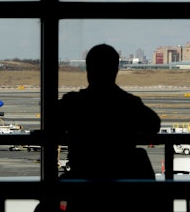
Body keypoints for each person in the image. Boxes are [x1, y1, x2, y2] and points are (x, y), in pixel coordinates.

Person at [54, 44, 162, 211]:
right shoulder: (128, 103)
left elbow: (53, 123)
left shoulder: (73, 103)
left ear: (89, 69)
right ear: (115, 70)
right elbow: (154, 123)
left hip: (83, 186)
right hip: (121, 189)